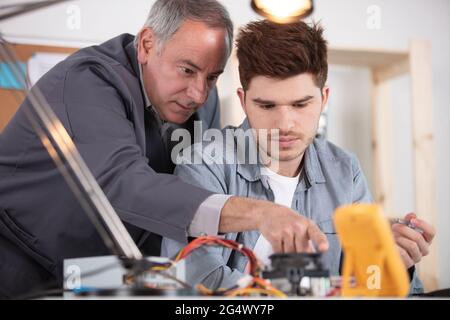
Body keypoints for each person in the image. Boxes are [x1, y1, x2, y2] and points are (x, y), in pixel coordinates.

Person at [0, 0, 329, 298]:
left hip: (102, 273)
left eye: (212, 76)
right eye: (187, 70)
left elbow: (196, 190)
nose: (199, 93)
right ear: (146, 45)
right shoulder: (86, 82)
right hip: (20, 259)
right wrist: (259, 212)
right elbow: (126, 185)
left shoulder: (201, 104)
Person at [162, 20, 435, 294]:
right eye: (267, 105)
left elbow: (367, 284)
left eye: (301, 104)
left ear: (323, 98)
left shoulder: (344, 170)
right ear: (243, 101)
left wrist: (393, 266)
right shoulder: (203, 164)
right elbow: (194, 283)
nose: (285, 124)